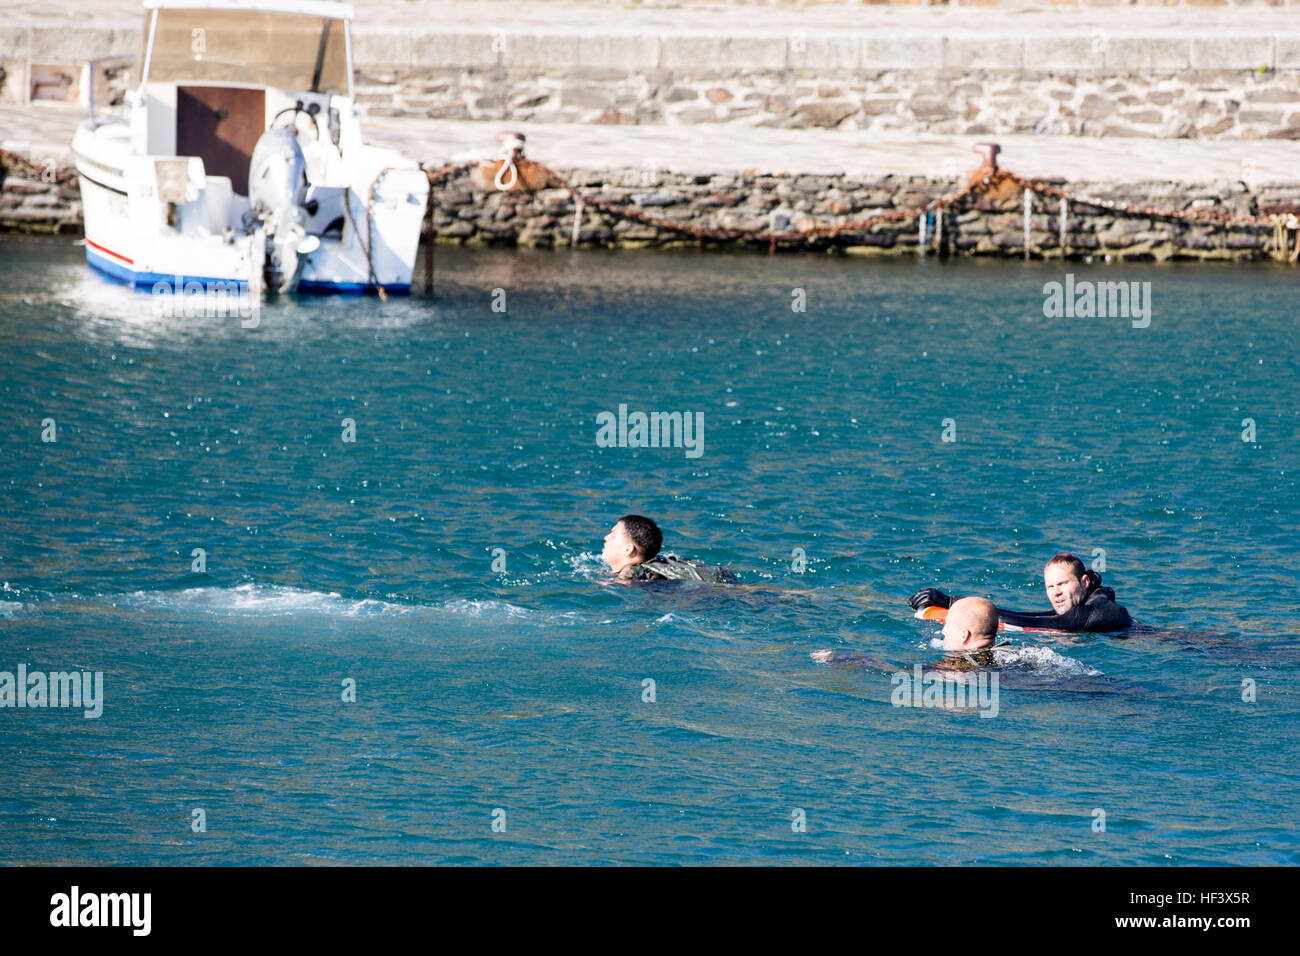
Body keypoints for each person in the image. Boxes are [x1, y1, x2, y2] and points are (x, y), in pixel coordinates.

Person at [909, 552, 1132, 632]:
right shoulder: (1086, 605)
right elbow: (1038, 615)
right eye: (1050, 587)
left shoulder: (1098, 611)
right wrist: (953, 602)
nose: (1056, 593)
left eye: (1063, 584)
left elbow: (1042, 623)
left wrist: (952, 602)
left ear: (1084, 582)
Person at [601, 514, 737, 583]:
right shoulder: (663, 564)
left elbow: (623, 584)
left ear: (628, 549)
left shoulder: (632, 571)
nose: (606, 538)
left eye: (613, 535)